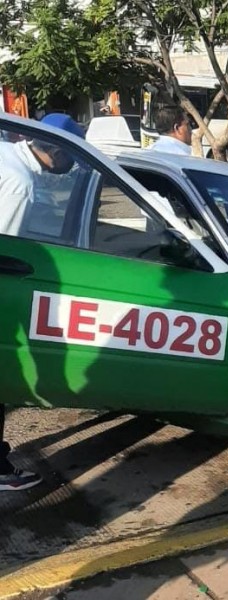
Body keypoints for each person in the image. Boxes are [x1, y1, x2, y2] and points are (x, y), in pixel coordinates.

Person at [0, 112, 85, 491]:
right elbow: (5, 254)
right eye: (72, 156)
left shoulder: (5, 156)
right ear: (55, 149)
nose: (72, 167)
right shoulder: (19, 184)